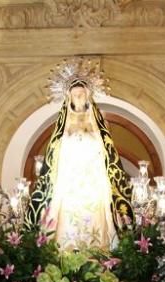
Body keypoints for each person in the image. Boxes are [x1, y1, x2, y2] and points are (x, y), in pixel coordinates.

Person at [26, 71, 134, 249]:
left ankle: (99, 254)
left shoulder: (98, 125)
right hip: (70, 183)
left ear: (87, 96)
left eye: (81, 94)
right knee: (68, 222)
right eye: (75, 95)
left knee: (96, 221)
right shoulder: (63, 125)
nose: (78, 97)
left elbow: (105, 153)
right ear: (69, 97)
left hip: (93, 182)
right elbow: (57, 157)